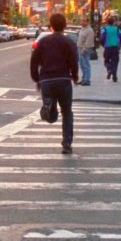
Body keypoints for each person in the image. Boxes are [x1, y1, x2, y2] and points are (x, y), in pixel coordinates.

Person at [30, 13, 79, 154]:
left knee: (52, 117)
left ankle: (49, 105)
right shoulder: (68, 42)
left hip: (47, 80)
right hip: (64, 80)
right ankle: (67, 144)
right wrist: (74, 76)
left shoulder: (43, 42)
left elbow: (34, 61)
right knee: (67, 113)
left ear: (50, 25)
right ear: (65, 25)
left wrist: (36, 78)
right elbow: (73, 61)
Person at [100, 17, 121, 82]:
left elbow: (102, 38)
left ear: (107, 22)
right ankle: (114, 76)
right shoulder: (117, 29)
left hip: (107, 47)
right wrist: (119, 44)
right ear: (113, 22)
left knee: (106, 60)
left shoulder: (104, 29)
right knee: (115, 62)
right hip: (115, 47)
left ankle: (109, 69)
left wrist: (103, 45)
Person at [76, 18, 95, 86]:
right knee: (82, 64)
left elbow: (89, 41)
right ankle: (84, 78)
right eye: (82, 21)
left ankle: (87, 80)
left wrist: (85, 49)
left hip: (85, 49)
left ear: (87, 22)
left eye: (84, 21)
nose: (82, 22)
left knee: (86, 64)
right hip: (80, 48)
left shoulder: (89, 30)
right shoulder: (82, 29)